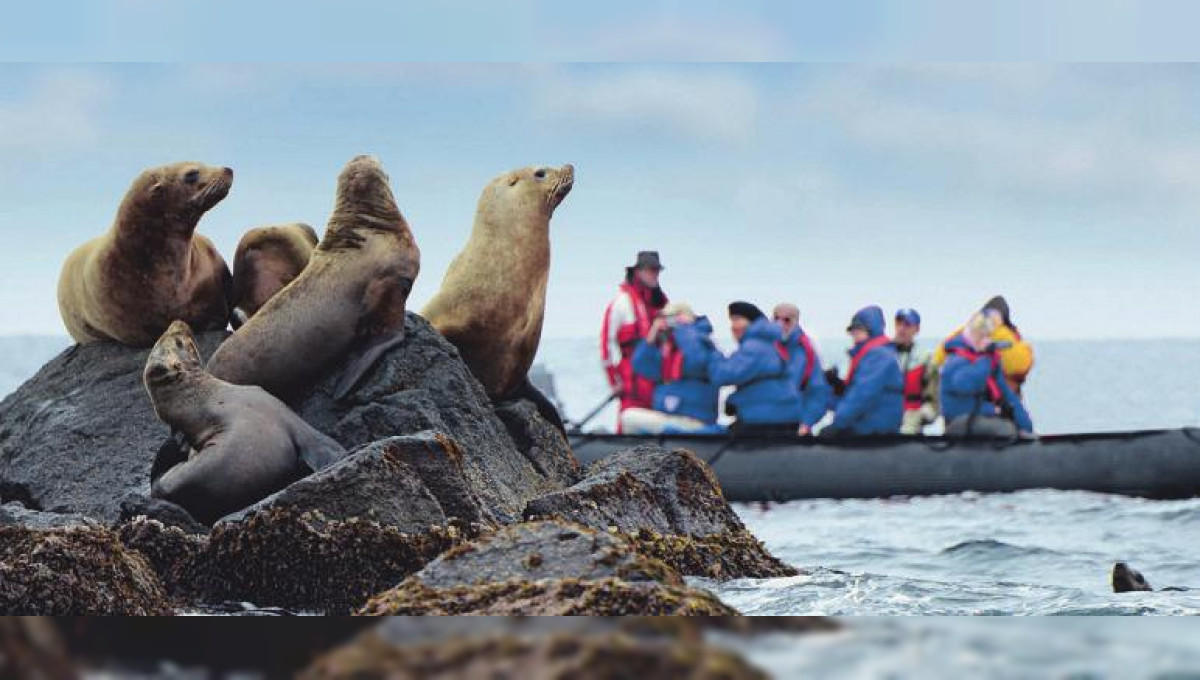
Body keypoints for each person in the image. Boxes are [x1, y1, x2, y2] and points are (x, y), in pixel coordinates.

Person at [623, 302, 721, 434]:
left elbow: (696, 360)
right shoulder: (670, 353)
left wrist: (685, 328)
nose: (668, 323)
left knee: (629, 418)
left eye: (672, 318)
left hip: (694, 421)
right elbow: (640, 365)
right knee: (629, 416)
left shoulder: (704, 344)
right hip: (672, 417)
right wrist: (652, 334)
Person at [707, 301, 804, 434]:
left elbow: (723, 375)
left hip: (765, 419)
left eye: (737, 320)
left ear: (751, 322)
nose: (733, 326)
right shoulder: (768, 343)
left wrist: (712, 353)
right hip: (782, 414)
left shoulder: (755, 347)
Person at [600, 251, 669, 429]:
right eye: (650, 270)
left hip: (658, 385)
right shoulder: (621, 303)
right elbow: (606, 346)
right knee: (628, 429)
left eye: (657, 270)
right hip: (631, 386)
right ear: (638, 272)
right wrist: (614, 382)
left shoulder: (663, 304)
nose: (654, 274)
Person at [940, 311, 1034, 437]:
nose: (984, 338)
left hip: (982, 416)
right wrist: (985, 358)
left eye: (987, 334)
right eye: (980, 334)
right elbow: (967, 384)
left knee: (1015, 428)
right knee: (1004, 430)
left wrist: (1026, 426)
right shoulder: (956, 360)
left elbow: (1006, 394)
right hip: (959, 419)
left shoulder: (989, 362)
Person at [824, 305, 904, 436]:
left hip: (874, 428)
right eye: (853, 330)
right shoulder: (873, 354)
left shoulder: (878, 356)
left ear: (872, 330)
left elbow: (863, 394)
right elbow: (855, 395)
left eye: (859, 330)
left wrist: (838, 423)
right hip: (867, 424)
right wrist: (833, 389)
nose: (854, 334)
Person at [934, 294, 1034, 396]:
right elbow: (1019, 365)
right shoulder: (1012, 337)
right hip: (1000, 397)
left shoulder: (964, 332)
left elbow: (939, 358)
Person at [773, 302, 832, 435]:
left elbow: (818, 391)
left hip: (794, 423)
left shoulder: (806, 352)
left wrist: (806, 423)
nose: (780, 324)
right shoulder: (764, 347)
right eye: (776, 319)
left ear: (796, 322)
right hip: (765, 423)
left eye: (787, 320)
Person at [892, 308, 939, 435]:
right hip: (886, 415)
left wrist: (923, 415)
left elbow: (933, 401)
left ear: (916, 329)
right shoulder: (881, 355)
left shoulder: (925, 359)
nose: (901, 329)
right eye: (898, 324)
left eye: (907, 325)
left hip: (913, 420)